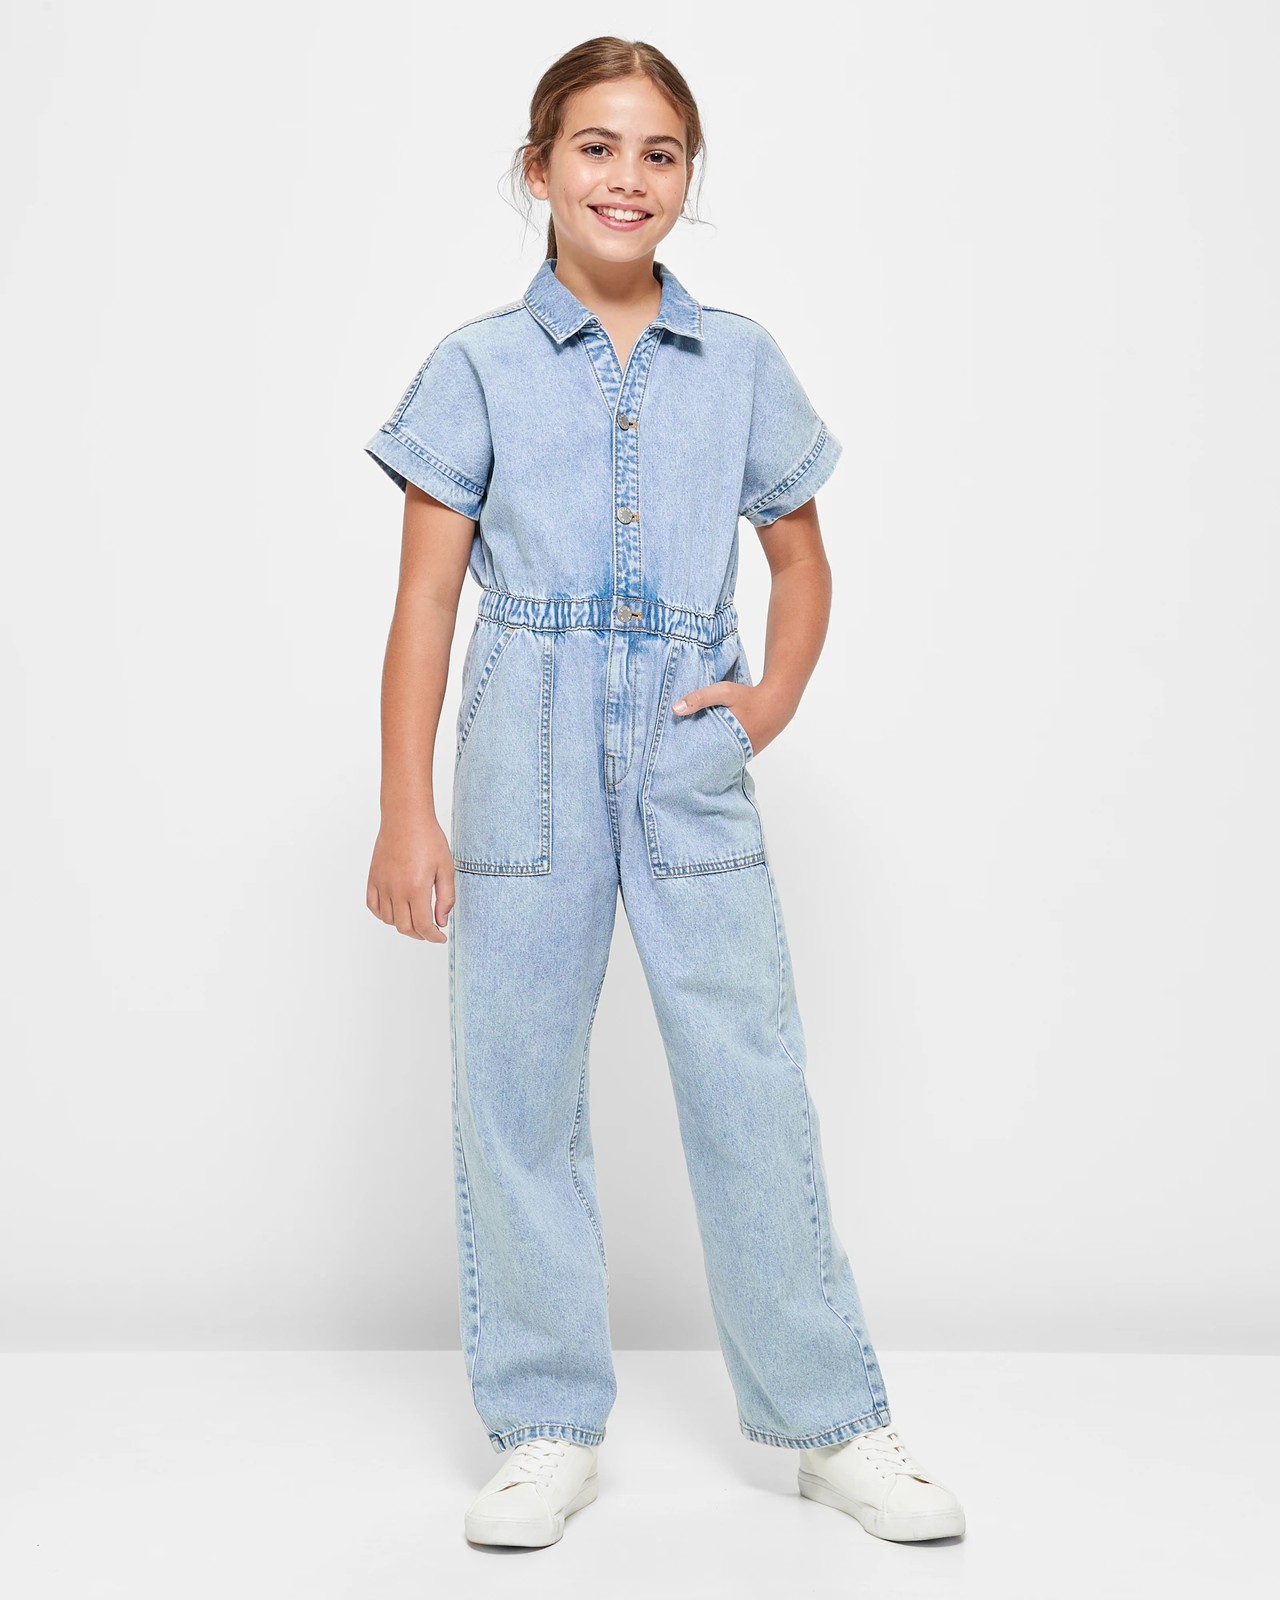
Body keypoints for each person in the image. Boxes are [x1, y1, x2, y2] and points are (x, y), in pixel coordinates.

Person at [364, 36, 965, 1552]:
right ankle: (545, 1425)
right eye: (595, 146)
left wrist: (769, 698)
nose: (627, 178)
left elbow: (801, 562)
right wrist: (406, 809)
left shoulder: (740, 359)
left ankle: (831, 1424)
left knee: (747, 1079)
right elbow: (426, 604)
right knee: (518, 1090)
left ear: (689, 178)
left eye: (660, 153)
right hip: (525, 746)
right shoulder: (477, 365)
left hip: (688, 744)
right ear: (538, 168)